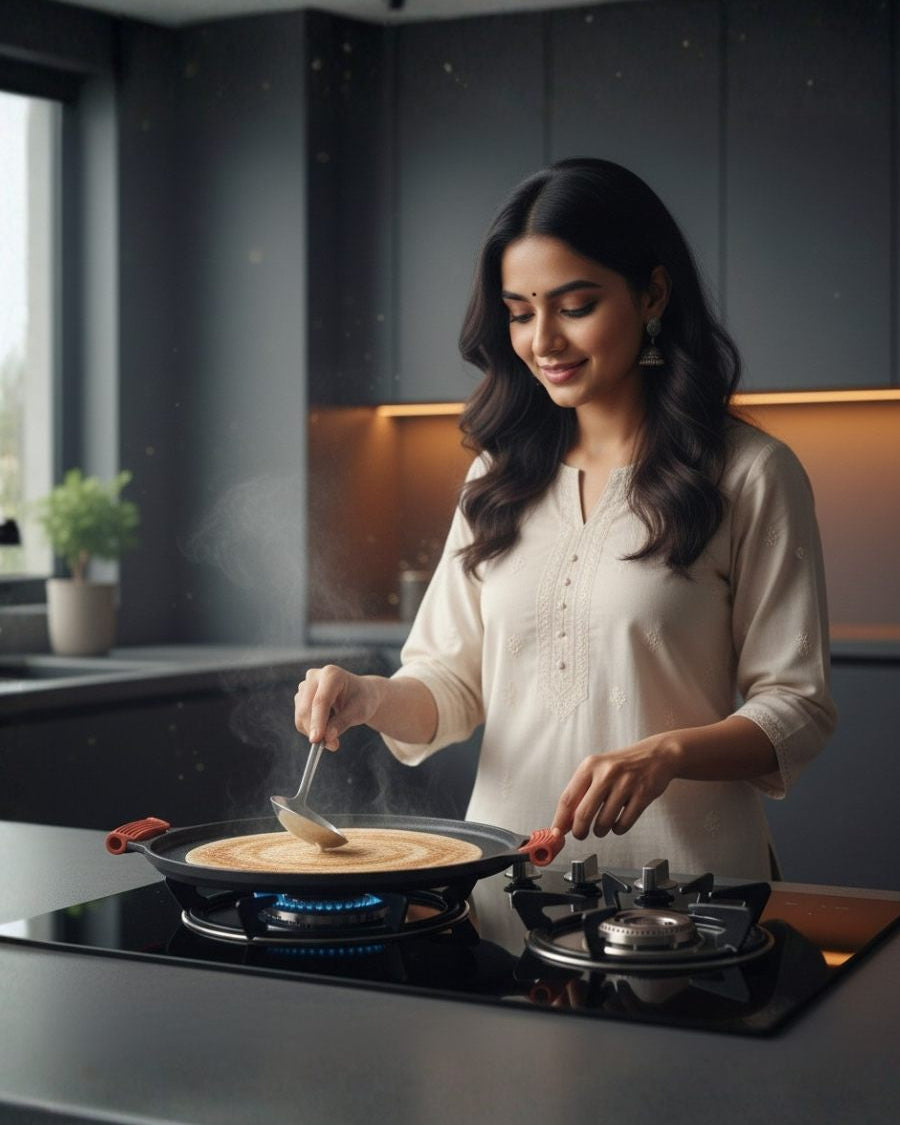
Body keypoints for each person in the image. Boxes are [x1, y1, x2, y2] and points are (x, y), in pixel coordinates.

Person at [294, 157, 836, 880]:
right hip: (507, 883)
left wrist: (668, 752)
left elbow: (797, 707)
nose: (542, 340)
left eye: (574, 307)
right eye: (520, 313)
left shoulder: (750, 473)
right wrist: (370, 697)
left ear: (652, 294)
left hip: (692, 896)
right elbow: (450, 687)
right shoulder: (499, 475)